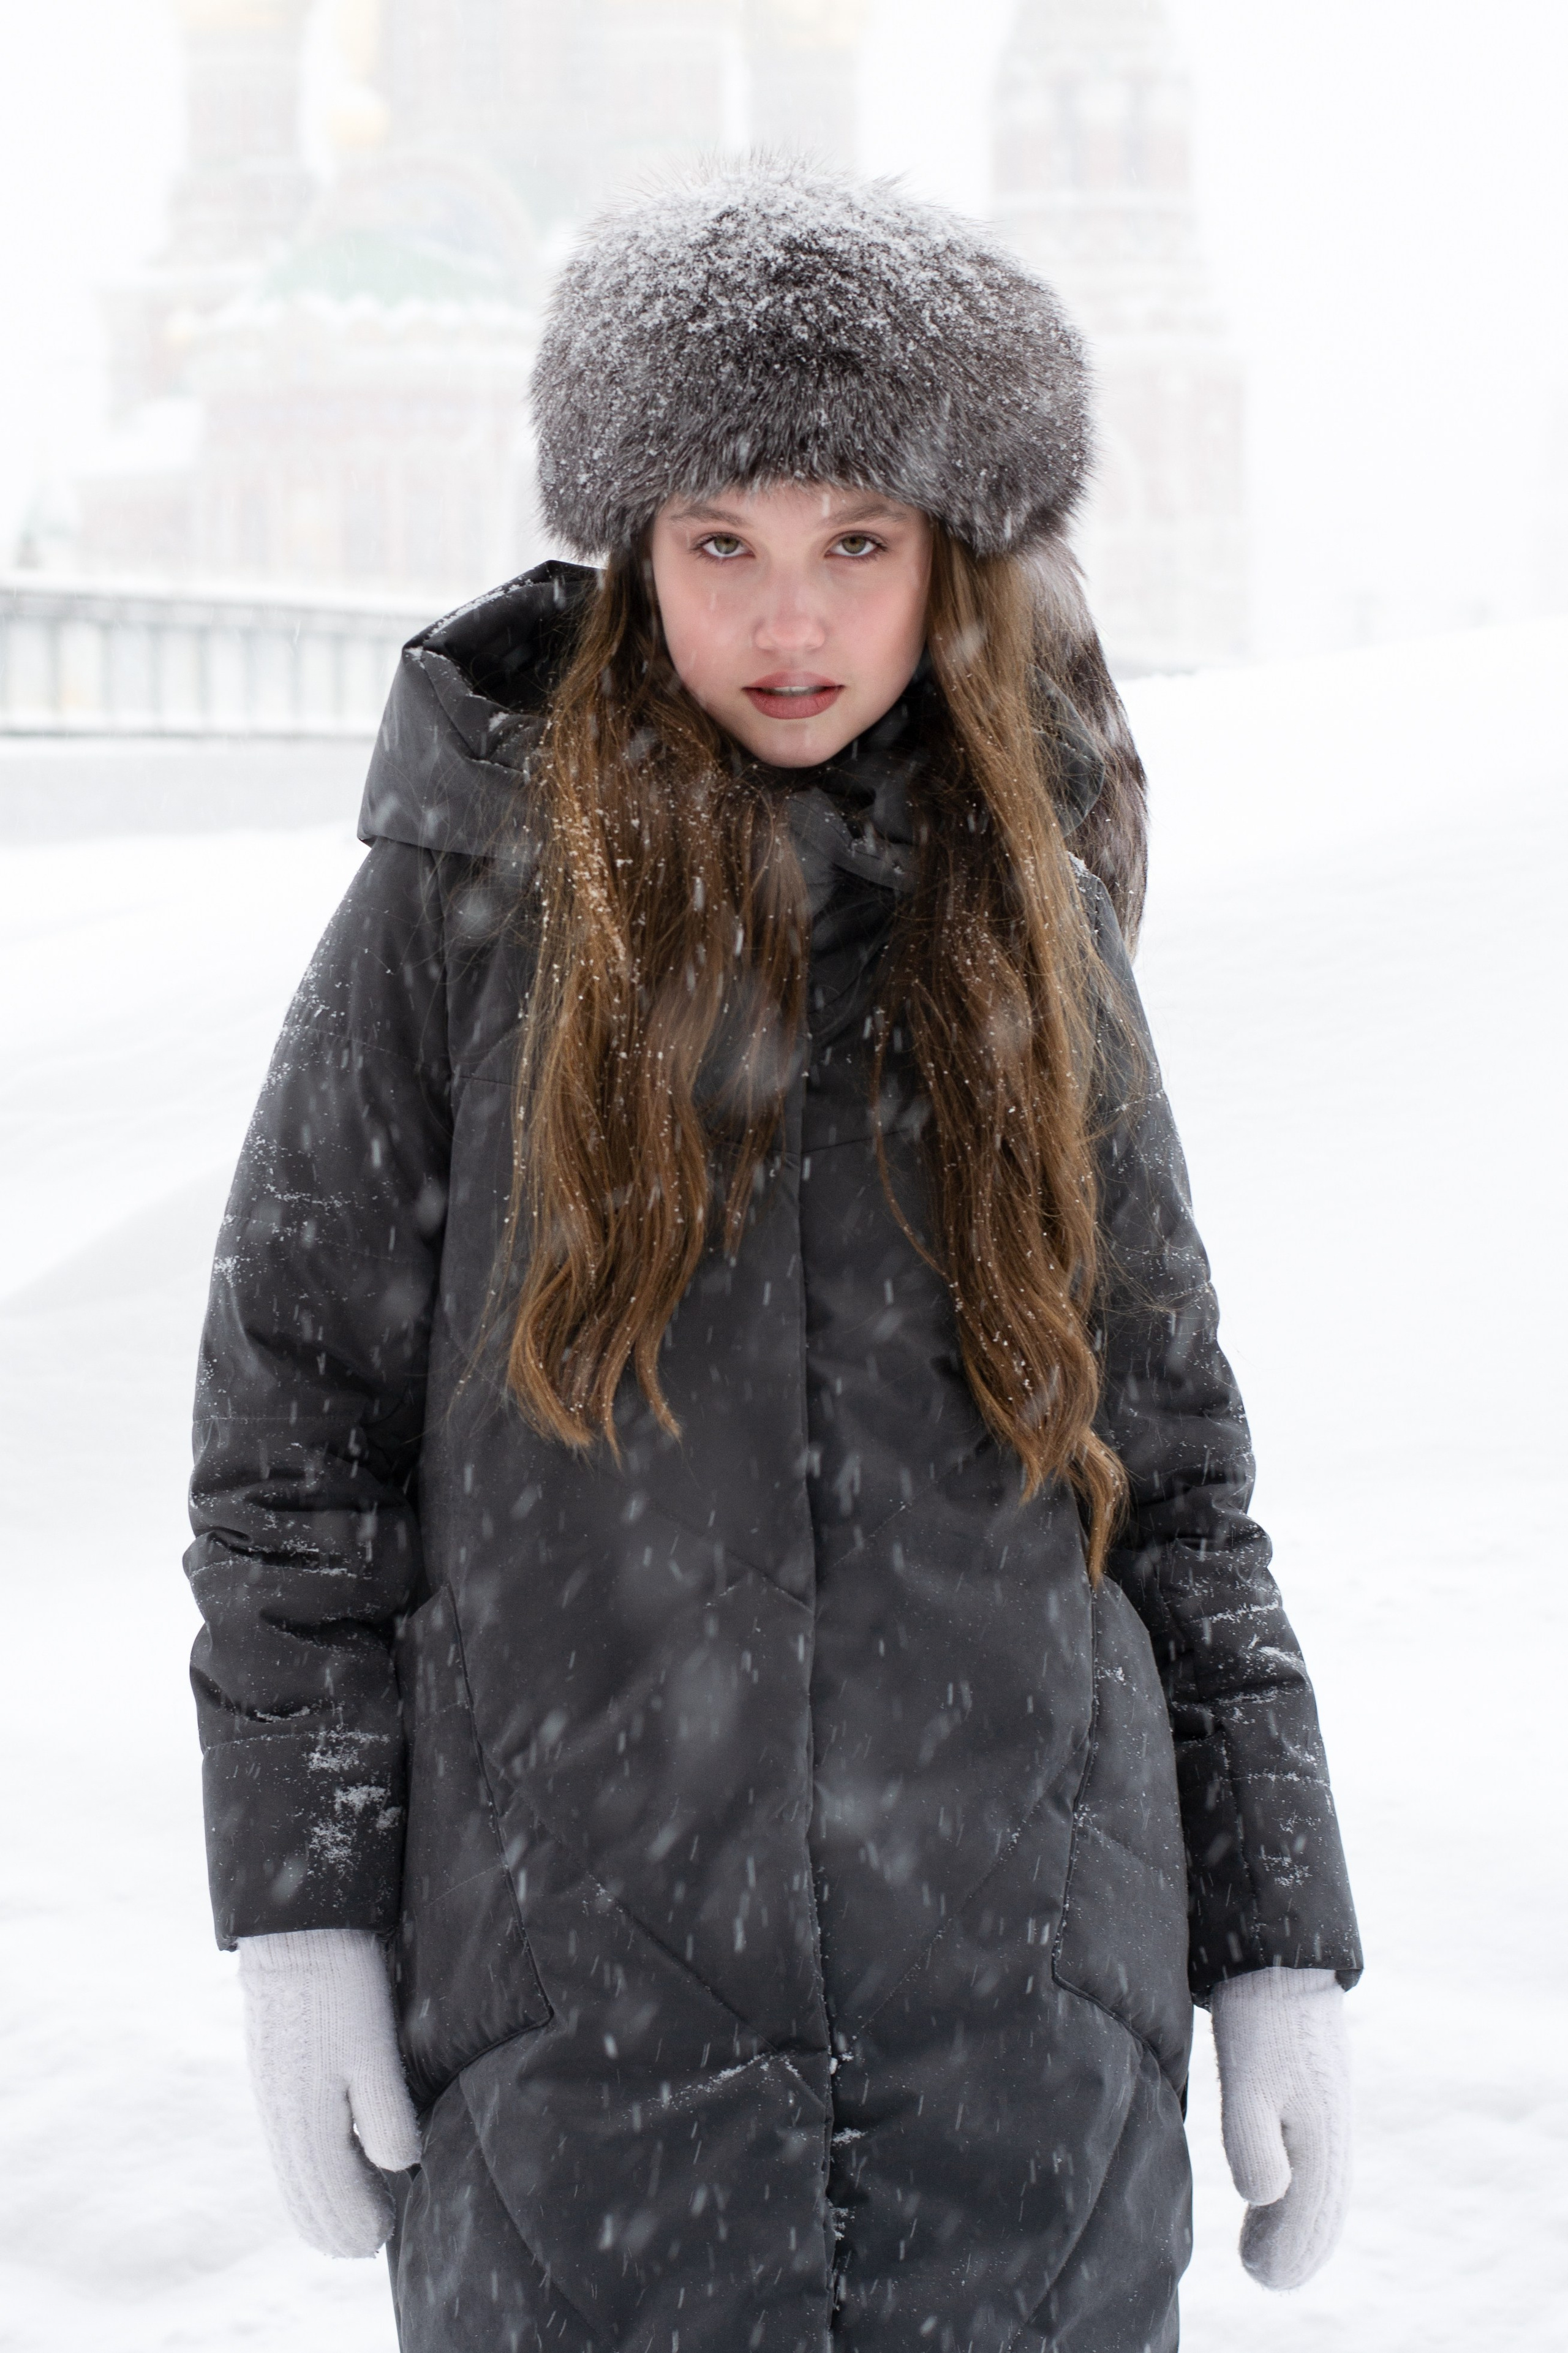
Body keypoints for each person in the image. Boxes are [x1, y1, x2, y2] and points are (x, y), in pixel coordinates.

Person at [187, 163, 1361, 2353]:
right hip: (574, 2054)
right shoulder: (464, 904)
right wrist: (303, 1910)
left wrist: (1275, 1937)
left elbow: (1178, 1475)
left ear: (951, 561)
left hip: (1025, 2064)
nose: (788, 619)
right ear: (633, 551)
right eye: (722, 542)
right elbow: (295, 1446)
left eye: (857, 545)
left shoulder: (1037, 928)